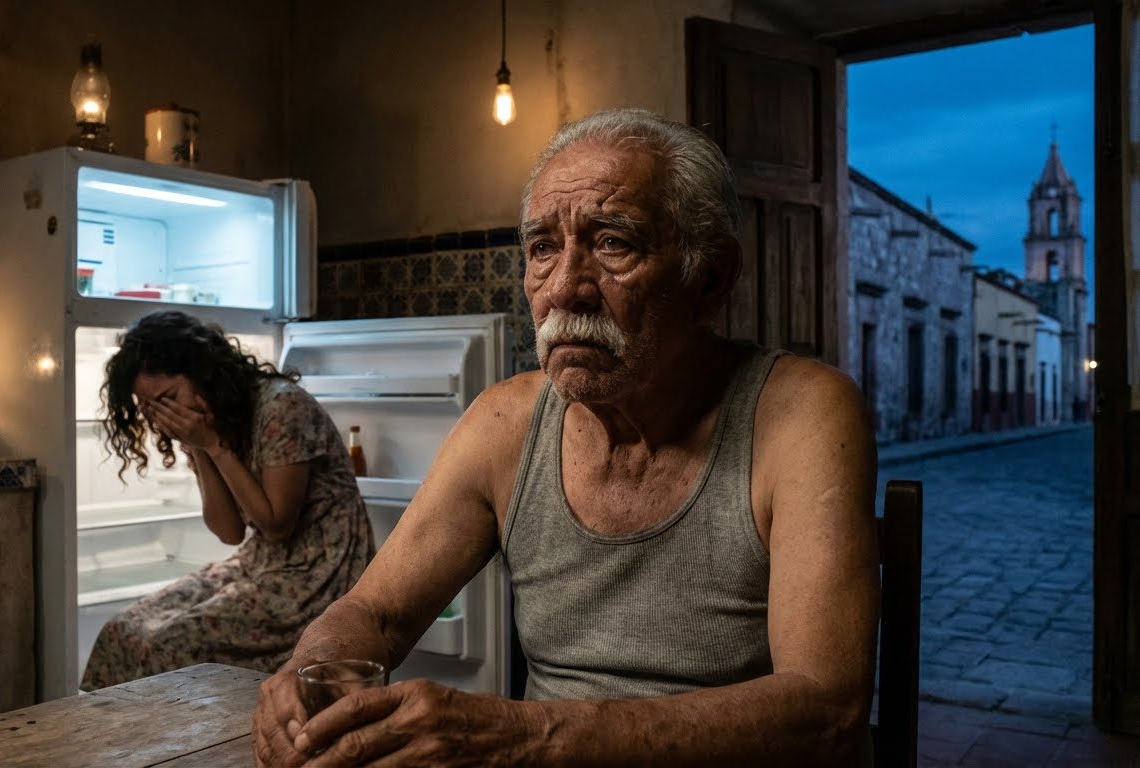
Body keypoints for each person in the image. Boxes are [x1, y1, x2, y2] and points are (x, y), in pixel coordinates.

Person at [252, 107, 881, 766]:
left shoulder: (803, 413)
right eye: (543, 247)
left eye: (613, 243)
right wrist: (311, 673)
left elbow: (825, 708)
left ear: (711, 278)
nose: (564, 290)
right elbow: (375, 613)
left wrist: (528, 735)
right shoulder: (506, 422)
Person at [80, 310, 375, 690]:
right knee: (120, 632)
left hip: (320, 573)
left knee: (171, 643)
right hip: (259, 563)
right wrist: (200, 448)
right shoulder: (202, 425)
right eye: (151, 408)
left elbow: (277, 524)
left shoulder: (281, 408)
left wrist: (215, 447)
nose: (163, 416)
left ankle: (182, 747)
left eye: (169, 398)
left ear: (202, 373)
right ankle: (118, 746)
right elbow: (229, 531)